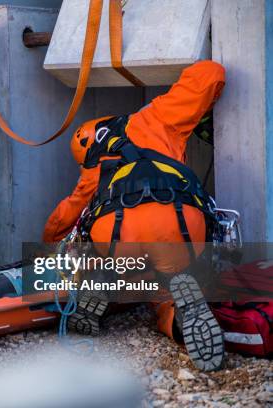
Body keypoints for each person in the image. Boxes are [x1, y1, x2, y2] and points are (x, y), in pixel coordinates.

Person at [43, 60, 226, 371]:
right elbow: (211, 73)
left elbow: (62, 223)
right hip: (176, 220)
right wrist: (204, 111)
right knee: (172, 284)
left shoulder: (92, 170)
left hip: (116, 234)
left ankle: (101, 280)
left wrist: (51, 250)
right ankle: (178, 317)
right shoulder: (156, 117)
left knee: (97, 255)